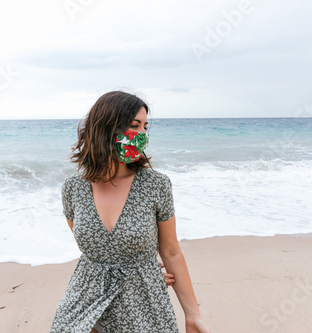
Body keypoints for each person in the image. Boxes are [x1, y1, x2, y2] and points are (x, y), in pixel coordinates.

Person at [49, 91, 210, 333]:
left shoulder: (155, 185)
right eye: (135, 126)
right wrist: (134, 266)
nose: (143, 134)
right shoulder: (73, 188)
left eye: (145, 127)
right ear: (105, 128)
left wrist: (192, 315)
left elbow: (171, 251)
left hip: (142, 307)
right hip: (84, 304)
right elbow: (97, 249)